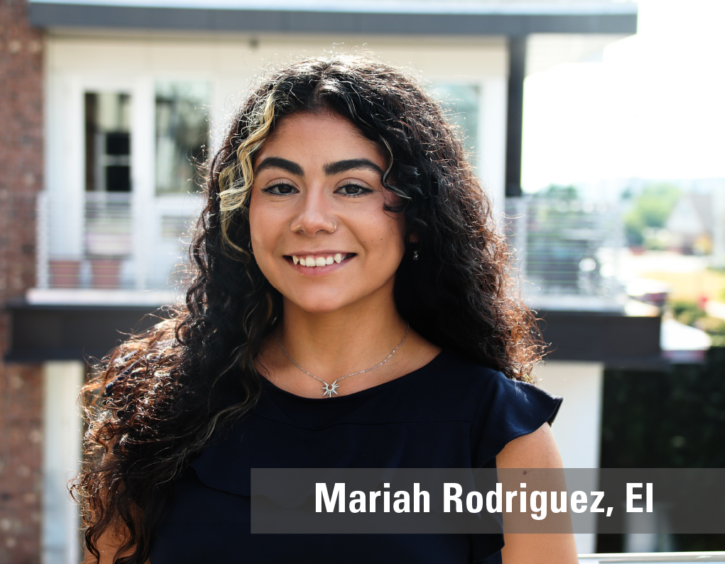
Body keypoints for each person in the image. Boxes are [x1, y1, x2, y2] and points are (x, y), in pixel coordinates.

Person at [73, 55, 578, 564]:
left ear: (418, 216)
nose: (311, 218)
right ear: (244, 215)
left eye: (352, 187)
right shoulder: (163, 412)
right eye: (281, 187)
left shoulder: (502, 433)